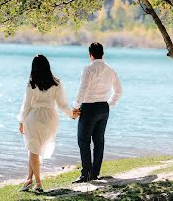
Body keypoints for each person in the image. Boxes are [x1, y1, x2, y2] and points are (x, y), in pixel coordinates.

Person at [17, 54, 76, 194]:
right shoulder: (56, 82)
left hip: (34, 117)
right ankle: (29, 179)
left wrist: (21, 121)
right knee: (35, 149)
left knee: (33, 148)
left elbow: (26, 106)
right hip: (51, 118)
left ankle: (38, 183)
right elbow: (62, 104)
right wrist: (71, 114)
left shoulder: (31, 83)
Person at [72, 42, 122, 184]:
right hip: (103, 108)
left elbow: (83, 89)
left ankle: (86, 174)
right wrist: (110, 104)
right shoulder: (111, 70)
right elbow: (119, 91)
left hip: (89, 108)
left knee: (83, 140)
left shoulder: (88, 69)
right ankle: (94, 173)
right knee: (99, 141)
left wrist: (75, 106)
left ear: (90, 55)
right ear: (103, 54)